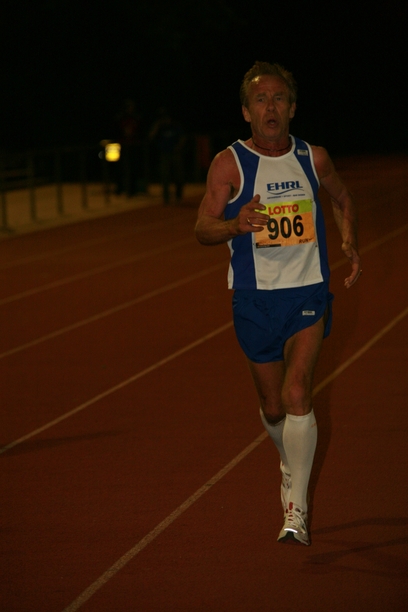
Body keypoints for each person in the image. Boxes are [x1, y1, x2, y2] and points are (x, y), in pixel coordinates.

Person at [195, 61, 361, 546]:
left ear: (292, 107)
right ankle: (290, 460)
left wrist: (349, 237)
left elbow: (342, 198)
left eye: (279, 98)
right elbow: (202, 228)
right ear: (247, 112)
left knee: (297, 393)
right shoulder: (230, 164)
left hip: (307, 292)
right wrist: (234, 224)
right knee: (272, 408)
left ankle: (296, 509)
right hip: (254, 300)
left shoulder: (313, 158)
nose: (271, 107)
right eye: (261, 99)